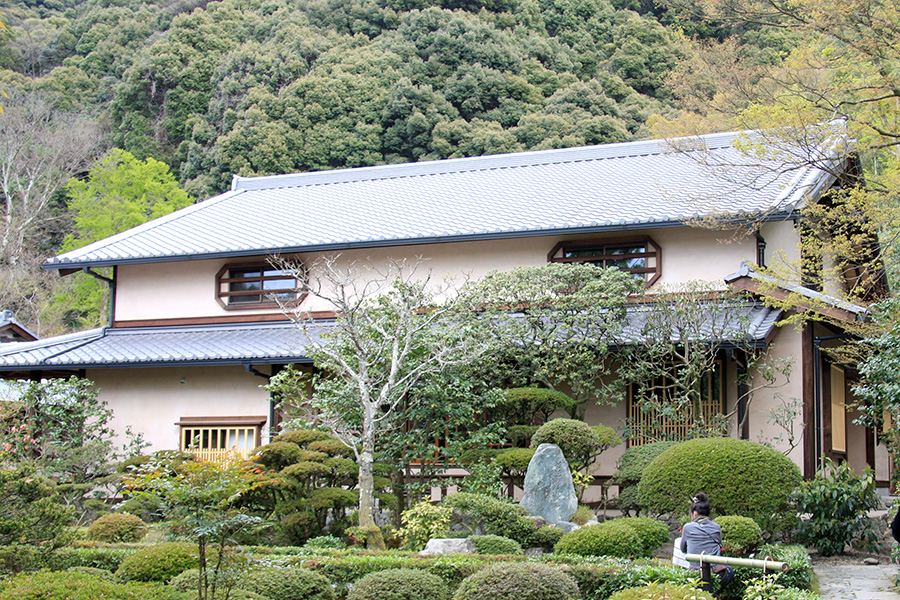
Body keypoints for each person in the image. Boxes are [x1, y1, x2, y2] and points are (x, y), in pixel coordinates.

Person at [680, 493, 734, 588]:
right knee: (730, 571)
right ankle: (715, 594)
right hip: (716, 571)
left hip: (696, 570)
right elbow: (719, 545)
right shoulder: (716, 526)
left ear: (695, 513)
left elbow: (683, 549)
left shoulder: (688, 527)